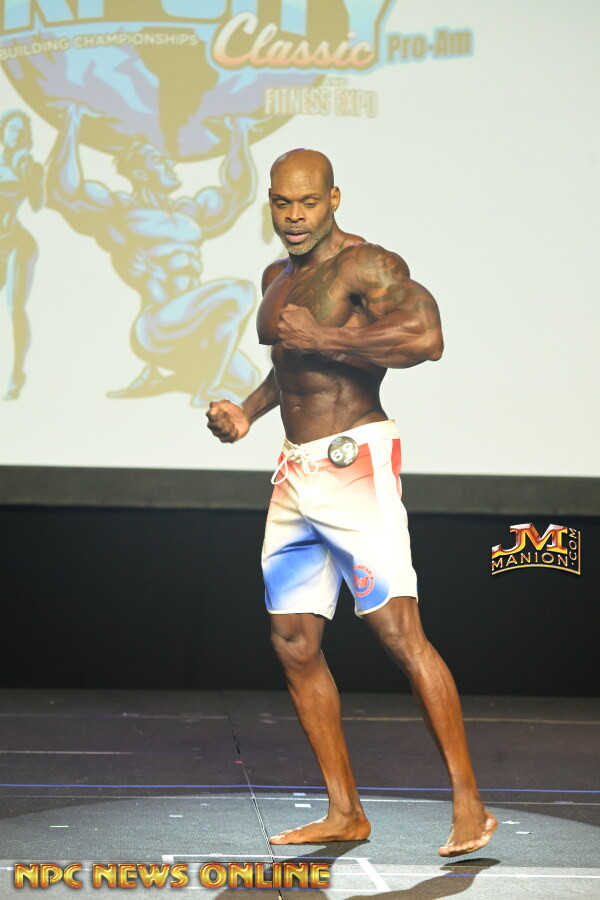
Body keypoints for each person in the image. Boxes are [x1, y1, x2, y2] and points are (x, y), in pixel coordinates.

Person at [206, 148, 497, 857]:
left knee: (398, 632)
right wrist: (246, 413)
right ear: (270, 203)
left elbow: (427, 338)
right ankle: (345, 811)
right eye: (282, 203)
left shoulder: (366, 265)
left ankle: (470, 805)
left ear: (333, 199)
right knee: (293, 640)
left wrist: (330, 336)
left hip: (355, 462)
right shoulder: (277, 277)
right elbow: (290, 365)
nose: (295, 216)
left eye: (308, 202)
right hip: (295, 470)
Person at [46, 103, 261, 406]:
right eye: (160, 161)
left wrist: (238, 134)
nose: (170, 166)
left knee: (250, 379)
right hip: (158, 326)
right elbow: (66, 190)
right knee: (240, 292)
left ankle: (161, 380)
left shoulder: (189, 213)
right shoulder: (123, 212)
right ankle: (206, 389)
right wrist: (71, 122)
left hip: (195, 333)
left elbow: (239, 192)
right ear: (139, 171)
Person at [0, 109, 43, 400]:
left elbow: (37, 204)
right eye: (12, 128)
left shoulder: (27, 165)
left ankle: (17, 372)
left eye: (21, 130)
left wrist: (32, 177)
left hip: (17, 242)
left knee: (15, 307)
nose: (16, 134)